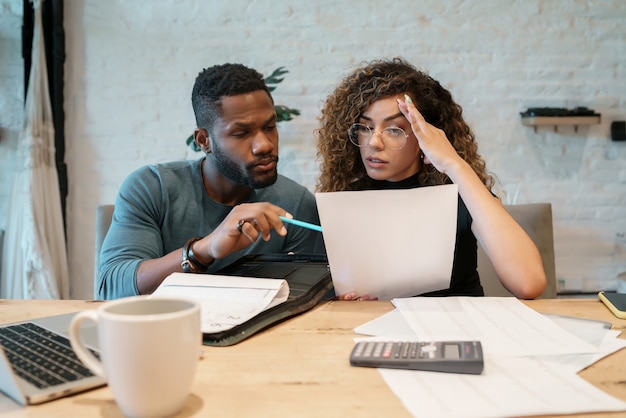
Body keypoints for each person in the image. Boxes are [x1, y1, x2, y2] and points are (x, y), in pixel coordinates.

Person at [316, 57, 546, 300]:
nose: (374, 142)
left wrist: (454, 163)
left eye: (394, 130)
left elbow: (528, 282)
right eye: (365, 127)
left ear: (425, 134)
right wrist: (341, 302)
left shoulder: (459, 196)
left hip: (457, 331)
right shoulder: (344, 203)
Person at [98, 63, 324, 299]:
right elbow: (112, 288)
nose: (264, 144)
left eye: (269, 127)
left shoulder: (295, 205)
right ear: (204, 140)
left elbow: (305, 301)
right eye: (241, 133)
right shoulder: (152, 188)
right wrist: (204, 250)